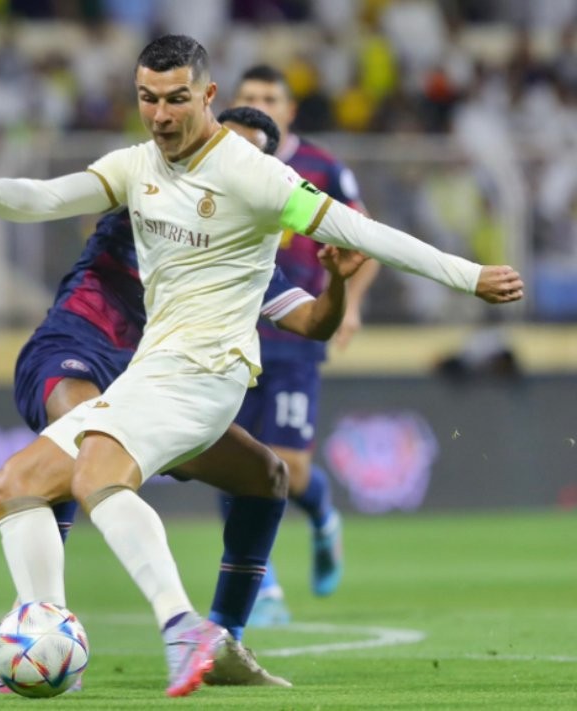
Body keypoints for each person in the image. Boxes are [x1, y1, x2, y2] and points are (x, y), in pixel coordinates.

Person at [0, 34, 522, 697]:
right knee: (15, 483)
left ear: (208, 95)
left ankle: (183, 627)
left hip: (209, 373)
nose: (160, 115)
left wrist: (468, 275)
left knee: (98, 469)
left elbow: (362, 231)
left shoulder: (253, 174)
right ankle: (50, 648)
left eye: (176, 100)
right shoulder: (137, 165)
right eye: (148, 99)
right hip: (153, 370)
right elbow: (50, 197)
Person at [0, 105, 369, 695]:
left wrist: (338, 283)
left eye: (250, 157)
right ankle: (48, 634)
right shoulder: (147, 186)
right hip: (78, 346)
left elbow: (311, 322)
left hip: (159, 383)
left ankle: (222, 641)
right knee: (83, 436)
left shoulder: (243, 256)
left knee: (266, 476)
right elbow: (50, 196)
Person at [229, 64, 380, 623]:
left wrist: (350, 303)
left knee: (288, 467)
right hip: (230, 336)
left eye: (270, 97)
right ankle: (261, 584)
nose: (260, 104)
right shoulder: (216, 164)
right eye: (250, 96)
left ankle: (321, 514)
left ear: (289, 110)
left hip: (294, 335)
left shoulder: (322, 168)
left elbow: (365, 239)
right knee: (228, 458)